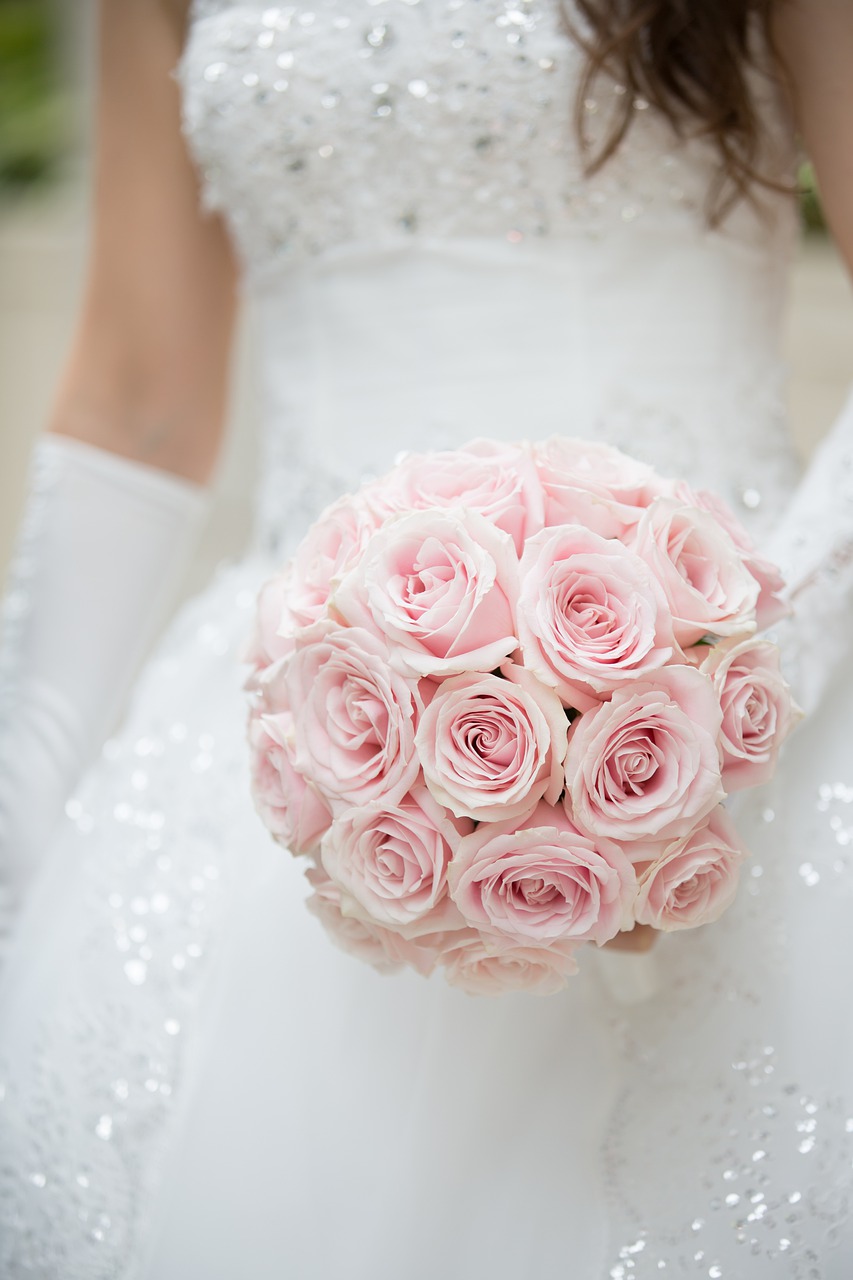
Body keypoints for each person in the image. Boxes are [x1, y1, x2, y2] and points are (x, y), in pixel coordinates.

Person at [1, 0, 852, 1275]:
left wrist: (719, 681)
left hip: (730, 713)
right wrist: (20, 795)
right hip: (302, 742)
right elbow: (140, 397)